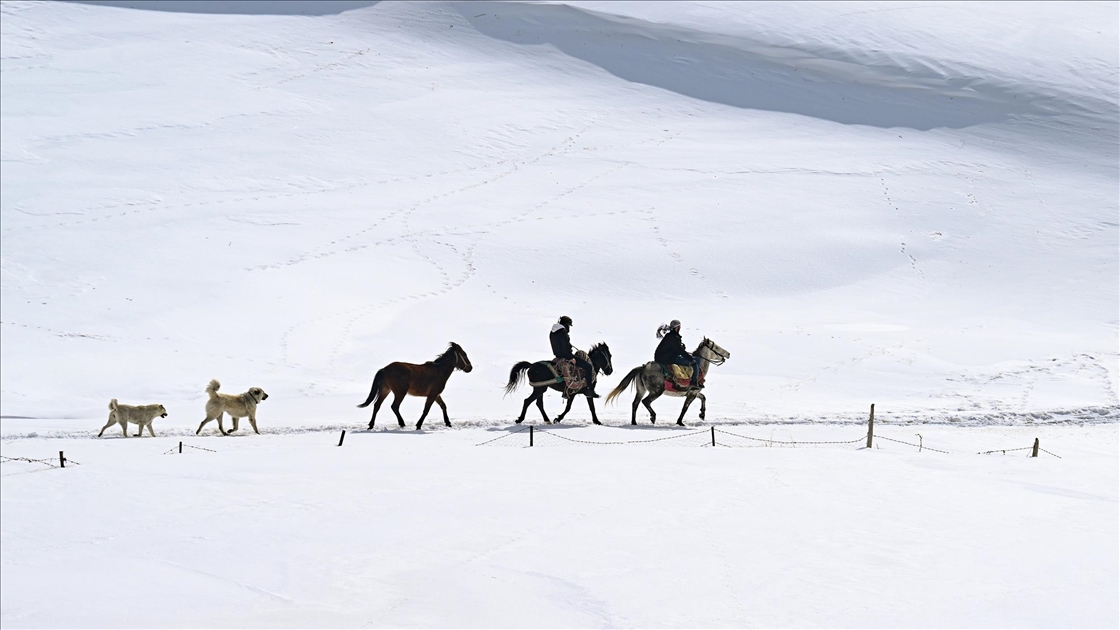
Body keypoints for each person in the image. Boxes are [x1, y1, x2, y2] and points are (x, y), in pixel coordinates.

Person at [550, 315, 599, 398]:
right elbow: (565, 348)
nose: (569, 328)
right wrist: (570, 358)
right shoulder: (562, 332)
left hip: (557, 356)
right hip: (566, 356)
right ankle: (589, 390)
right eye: (569, 325)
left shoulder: (552, 332)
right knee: (588, 367)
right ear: (566, 324)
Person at [655, 319, 702, 389]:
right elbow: (680, 351)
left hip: (661, 357)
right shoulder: (674, 337)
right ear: (677, 328)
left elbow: (673, 348)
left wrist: (680, 347)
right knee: (696, 361)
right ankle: (694, 382)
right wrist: (691, 359)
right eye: (679, 327)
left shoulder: (669, 335)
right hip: (669, 358)